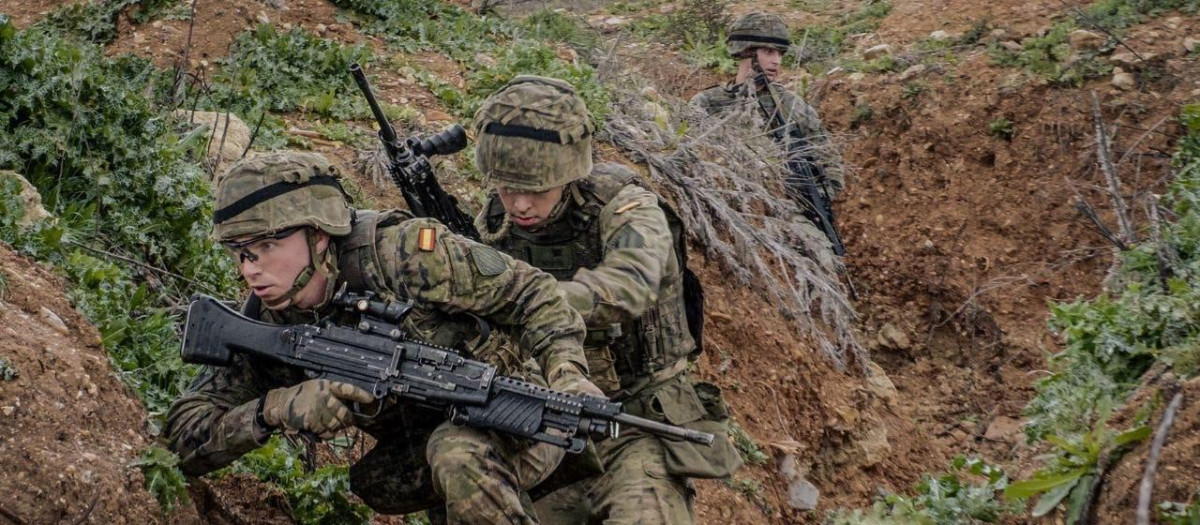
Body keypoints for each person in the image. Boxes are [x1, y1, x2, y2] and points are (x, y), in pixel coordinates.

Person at [163, 151, 602, 524]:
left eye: (265, 248)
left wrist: (568, 375)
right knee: (409, 468)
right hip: (418, 445)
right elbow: (181, 439)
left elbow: (535, 294)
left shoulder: (405, 254)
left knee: (456, 454)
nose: (249, 269)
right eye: (239, 253)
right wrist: (271, 410)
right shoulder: (270, 322)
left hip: (516, 408)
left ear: (317, 235)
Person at [472, 75, 742, 524]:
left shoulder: (626, 207)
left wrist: (533, 298)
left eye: (535, 190)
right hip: (549, 419)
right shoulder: (497, 222)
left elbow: (630, 284)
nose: (519, 205)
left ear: (568, 172)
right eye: (505, 188)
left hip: (636, 421)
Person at [690, 12, 846, 268]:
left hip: (788, 212)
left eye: (780, 54)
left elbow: (829, 162)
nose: (776, 61)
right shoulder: (707, 104)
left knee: (824, 262)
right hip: (727, 208)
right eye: (768, 52)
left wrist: (813, 194)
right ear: (746, 51)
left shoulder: (793, 107)